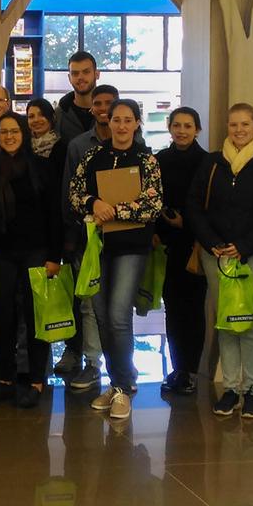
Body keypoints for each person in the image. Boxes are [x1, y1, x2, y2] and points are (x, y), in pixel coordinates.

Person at [187, 103, 253, 419]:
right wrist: (213, 243)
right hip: (215, 256)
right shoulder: (213, 164)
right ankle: (230, 389)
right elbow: (193, 206)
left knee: (250, 323)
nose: (239, 130)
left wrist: (242, 246)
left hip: (251, 258)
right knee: (226, 323)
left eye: (245, 124)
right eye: (233, 125)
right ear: (227, 128)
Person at [69, 99, 163, 421]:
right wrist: (94, 202)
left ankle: (123, 387)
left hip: (131, 248)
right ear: (108, 122)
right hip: (98, 247)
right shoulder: (94, 156)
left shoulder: (146, 159)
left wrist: (115, 210)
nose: (121, 126)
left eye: (128, 120)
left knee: (119, 315)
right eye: (116, 120)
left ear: (137, 123)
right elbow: (75, 194)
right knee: (101, 316)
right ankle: (115, 380)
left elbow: (152, 204)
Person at [0, 112, 63, 408]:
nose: (8, 136)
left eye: (14, 131)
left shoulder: (41, 167)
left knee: (35, 318)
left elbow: (54, 215)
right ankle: (5, 378)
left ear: (24, 133)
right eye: (3, 132)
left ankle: (35, 381)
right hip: (1, 251)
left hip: (37, 251)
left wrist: (55, 256)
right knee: (3, 317)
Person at [56, 85, 118, 388]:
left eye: (109, 103)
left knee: (119, 307)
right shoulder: (79, 145)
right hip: (86, 237)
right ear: (91, 108)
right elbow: (70, 192)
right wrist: (73, 233)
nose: (104, 108)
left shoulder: (136, 145)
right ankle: (93, 363)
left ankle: (121, 367)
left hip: (123, 240)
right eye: (98, 104)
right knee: (88, 304)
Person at [155, 108, 209, 395]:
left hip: (197, 244)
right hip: (168, 244)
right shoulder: (160, 160)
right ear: (169, 127)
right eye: (177, 125)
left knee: (194, 309)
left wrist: (186, 221)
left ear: (197, 129)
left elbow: (211, 204)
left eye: (188, 125)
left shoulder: (208, 162)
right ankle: (178, 368)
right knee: (172, 308)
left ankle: (190, 370)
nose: (182, 130)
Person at [55, 51, 100, 144]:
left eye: (86, 72)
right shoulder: (59, 115)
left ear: (97, 74)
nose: (80, 77)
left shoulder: (113, 112)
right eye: (75, 73)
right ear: (69, 78)